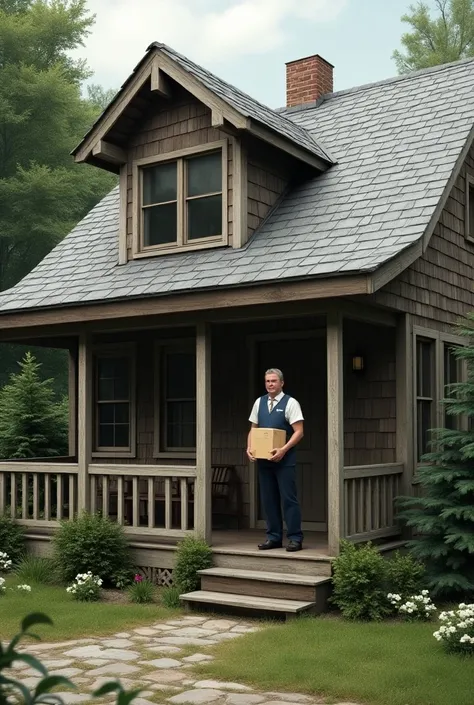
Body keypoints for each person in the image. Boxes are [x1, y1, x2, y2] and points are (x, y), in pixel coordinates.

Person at [247, 368, 304, 552]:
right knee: (269, 500)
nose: (270, 384)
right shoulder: (259, 402)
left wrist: (284, 449)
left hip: (284, 461)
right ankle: (274, 538)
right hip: (264, 461)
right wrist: (249, 448)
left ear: (281, 383)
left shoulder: (291, 403)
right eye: (267, 381)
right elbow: (253, 429)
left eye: (273, 381)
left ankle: (295, 538)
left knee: (289, 500)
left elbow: (299, 432)